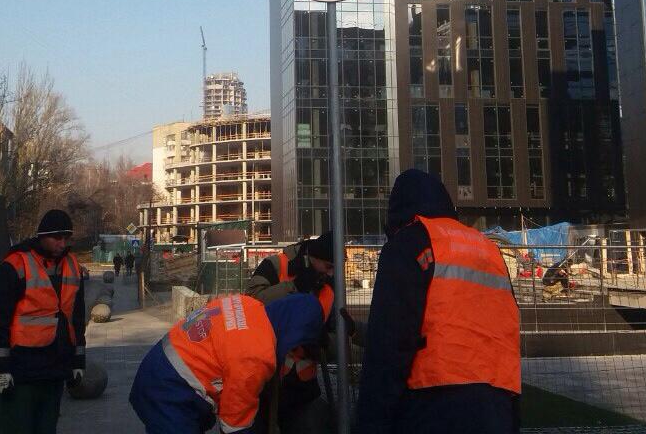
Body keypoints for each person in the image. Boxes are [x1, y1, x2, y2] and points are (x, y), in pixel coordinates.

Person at [356, 169, 520, 434]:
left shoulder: (411, 242)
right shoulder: (489, 250)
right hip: (497, 400)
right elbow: (508, 329)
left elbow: (389, 341)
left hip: (433, 401)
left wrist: (371, 422)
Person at [129, 293, 324, 434]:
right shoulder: (257, 356)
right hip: (170, 392)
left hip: (158, 373)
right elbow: (235, 423)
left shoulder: (248, 305)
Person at [0, 209, 88, 434]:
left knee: (46, 427)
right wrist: (0, 368)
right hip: (22, 369)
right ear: (43, 236)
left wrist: (78, 361)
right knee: (17, 427)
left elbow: (77, 320)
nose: (62, 244)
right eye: (57, 238)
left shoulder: (72, 266)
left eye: (66, 238)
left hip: (55, 368)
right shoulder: (16, 264)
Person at [245, 233, 338, 431]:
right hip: (265, 379)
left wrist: (324, 341)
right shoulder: (275, 265)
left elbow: (332, 327)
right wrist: (294, 287)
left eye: (335, 267)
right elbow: (251, 303)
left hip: (303, 385)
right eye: (328, 266)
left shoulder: (329, 284)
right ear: (314, 257)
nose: (331, 273)